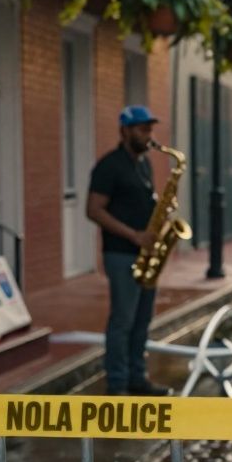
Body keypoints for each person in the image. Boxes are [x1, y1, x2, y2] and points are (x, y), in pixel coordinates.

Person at [86, 105, 170, 396]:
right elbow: (94, 210)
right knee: (123, 320)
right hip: (121, 253)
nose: (149, 135)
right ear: (125, 131)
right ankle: (117, 383)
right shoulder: (109, 166)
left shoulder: (143, 164)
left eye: (150, 129)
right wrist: (134, 235)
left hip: (145, 253)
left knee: (142, 319)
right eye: (142, 129)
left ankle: (138, 377)